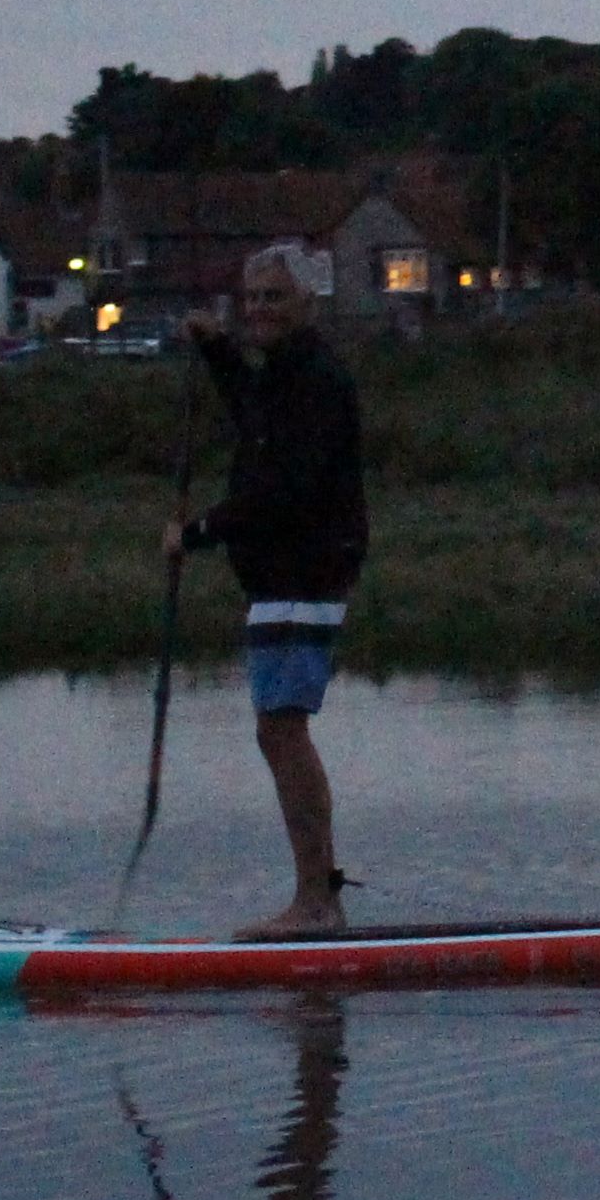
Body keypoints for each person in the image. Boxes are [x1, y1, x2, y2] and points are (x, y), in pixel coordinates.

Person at [166, 241, 370, 935]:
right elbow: (253, 415)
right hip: (280, 575)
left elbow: (284, 489)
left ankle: (317, 903)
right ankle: (317, 898)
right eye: (251, 298)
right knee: (276, 729)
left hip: (305, 568)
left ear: (307, 302)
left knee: (282, 728)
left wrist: (198, 532)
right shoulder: (282, 375)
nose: (259, 309)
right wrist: (217, 350)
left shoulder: (316, 380)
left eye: (274, 297)